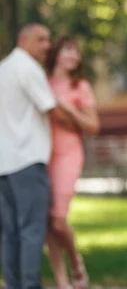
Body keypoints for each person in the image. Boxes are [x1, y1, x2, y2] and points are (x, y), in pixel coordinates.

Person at [0, 23, 65, 289]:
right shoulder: (28, 68)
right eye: (41, 40)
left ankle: (14, 284)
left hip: (3, 163)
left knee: (9, 233)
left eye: (48, 40)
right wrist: (83, 123)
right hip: (27, 161)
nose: (47, 45)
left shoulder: (3, 68)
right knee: (31, 231)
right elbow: (52, 108)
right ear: (23, 39)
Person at [44, 36, 99, 289]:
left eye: (77, 53)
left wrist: (67, 109)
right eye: (69, 50)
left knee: (58, 219)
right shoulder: (41, 82)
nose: (74, 57)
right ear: (56, 52)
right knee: (48, 221)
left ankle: (76, 261)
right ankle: (62, 281)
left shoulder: (81, 87)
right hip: (41, 154)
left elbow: (93, 126)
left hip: (68, 154)